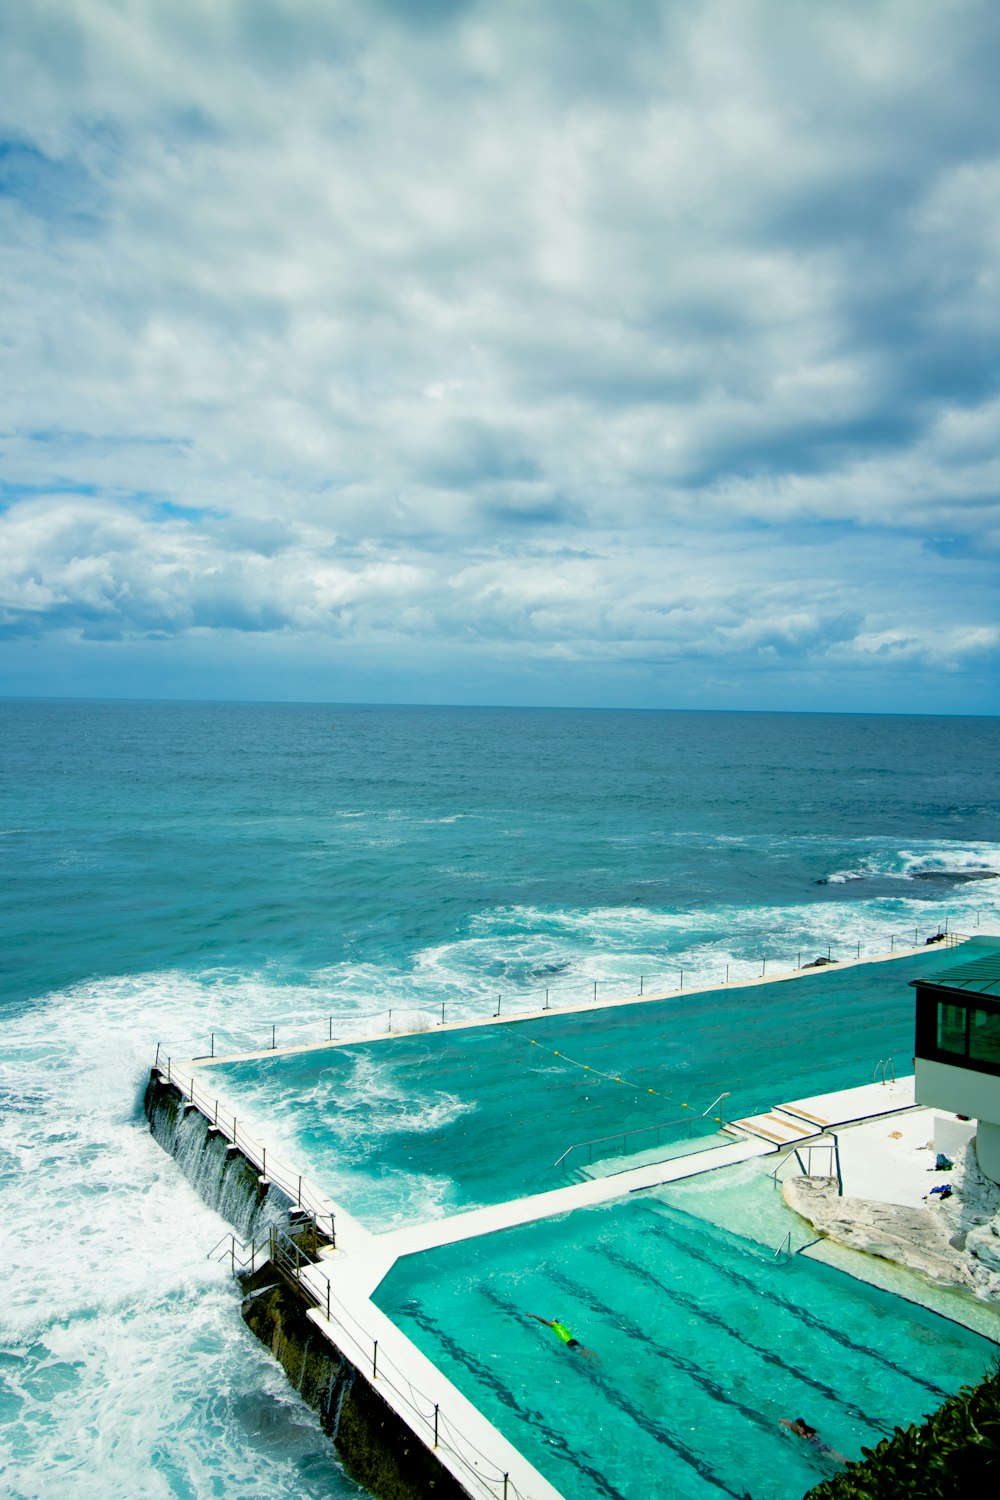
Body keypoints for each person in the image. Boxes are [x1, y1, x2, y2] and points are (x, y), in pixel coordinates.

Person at [528, 1314, 600, 1363]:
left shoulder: (554, 1325)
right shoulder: (562, 1326)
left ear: (554, 1322)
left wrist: (534, 1316)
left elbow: (543, 1321)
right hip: (573, 1340)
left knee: (583, 1355)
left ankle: (594, 1365)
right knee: (586, 1350)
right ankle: (598, 1360)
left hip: (569, 1343)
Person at [779, 1417, 846, 1463]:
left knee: (834, 1458)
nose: (799, 1428)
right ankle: (850, 1464)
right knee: (838, 1455)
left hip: (819, 1449)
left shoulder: (802, 1434)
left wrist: (783, 1421)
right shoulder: (811, 1430)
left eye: (799, 1427)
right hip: (824, 1445)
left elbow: (789, 1424)